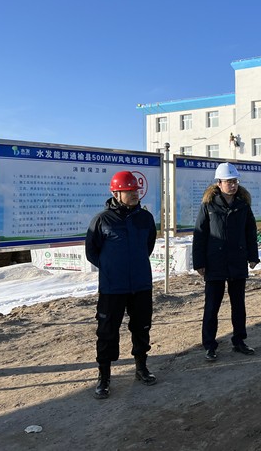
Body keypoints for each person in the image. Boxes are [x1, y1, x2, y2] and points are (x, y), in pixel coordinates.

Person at [85, 170, 158, 400]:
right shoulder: (102, 220)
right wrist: (111, 268)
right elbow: (92, 252)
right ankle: (104, 377)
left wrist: (134, 265)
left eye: (136, 190)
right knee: (107, 331)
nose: (135, 194)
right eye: (129, 191)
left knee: (142, 327)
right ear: (116, 193)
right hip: (112, 287)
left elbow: (148, 245)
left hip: (141, 284)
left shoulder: (145, 219)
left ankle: (141, 367)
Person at [193, 162, 260, 361]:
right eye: (228, 182)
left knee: (238, 305)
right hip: (215, 262)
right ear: (219, 183)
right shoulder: (209, 205)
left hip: (237, 260)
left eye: (234, 181)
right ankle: (209, 345)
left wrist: (253, 256)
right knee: (212, 306)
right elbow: (200, 234)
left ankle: (239, 340)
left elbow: (250, 231)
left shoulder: (243, 205)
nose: (232, 185)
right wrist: (199, 262)